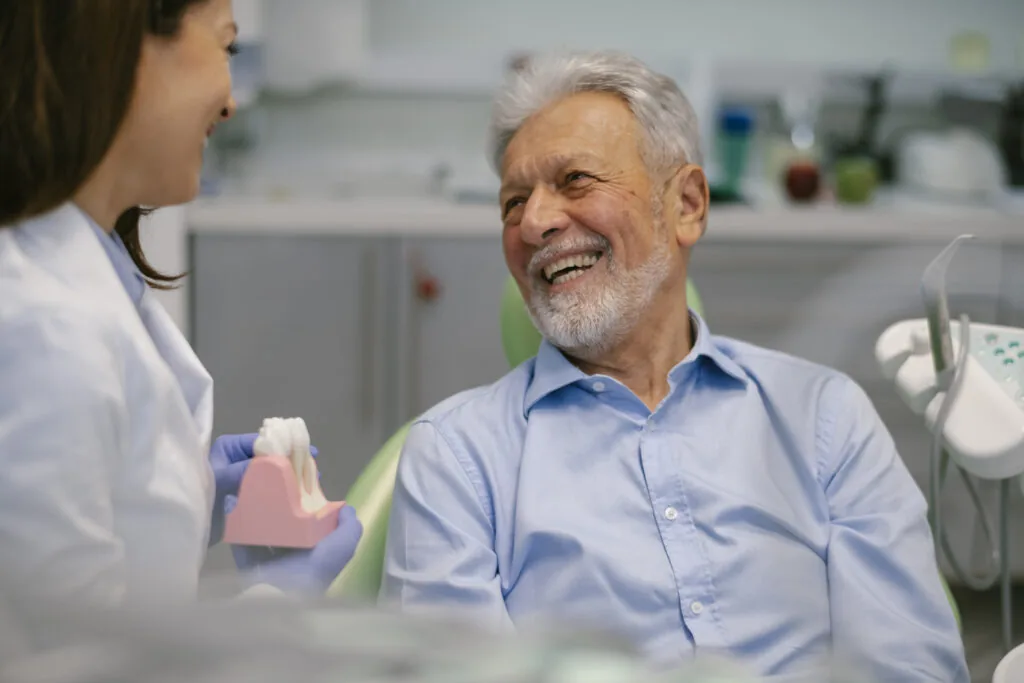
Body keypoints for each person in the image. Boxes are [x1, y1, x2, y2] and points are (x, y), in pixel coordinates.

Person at [380, 51, 969, 681]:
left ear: (686, 204)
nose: (535, 223)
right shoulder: (458, 458)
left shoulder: (823, 416)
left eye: (576, 180)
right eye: (512, 203)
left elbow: (909, 666)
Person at [0, 0, 362, 607]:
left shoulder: (87, 270)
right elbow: (66, 661)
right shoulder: (43, 327)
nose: (230, 101)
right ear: (127, 51)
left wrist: (187, 494)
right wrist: (279, 605)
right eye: (226, 48)